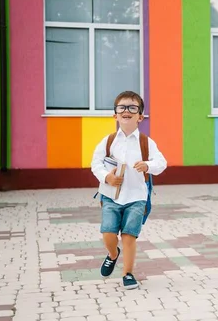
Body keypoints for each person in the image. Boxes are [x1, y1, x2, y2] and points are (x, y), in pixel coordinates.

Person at [91, 91, 167, 289]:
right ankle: (112, 254)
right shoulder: (108, 141)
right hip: (110, 197)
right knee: (108, 233)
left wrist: (148, 166)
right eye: (122, 107)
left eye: (132, 108)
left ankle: (128, 274)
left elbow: (161, 163)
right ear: (115, 114)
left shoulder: (146, 142)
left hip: (136, 197)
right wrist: (107, 177)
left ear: (140, 116)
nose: (126, 111)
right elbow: (95, 164)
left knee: (129, 236)